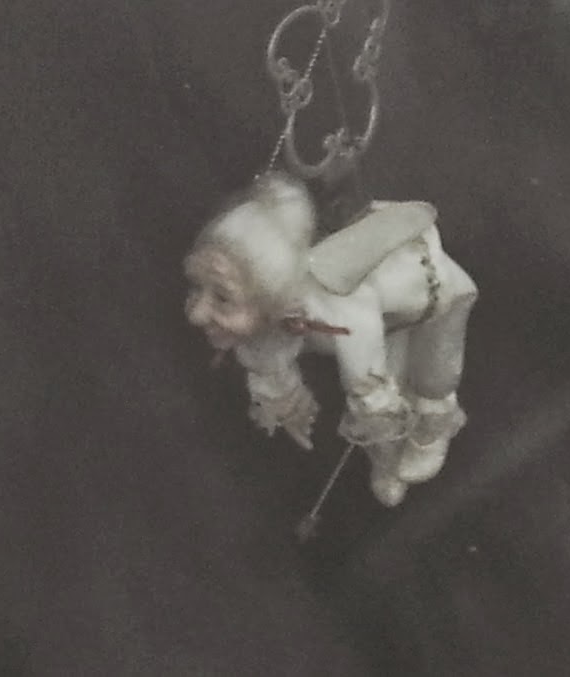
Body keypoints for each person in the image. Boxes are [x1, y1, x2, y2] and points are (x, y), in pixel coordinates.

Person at [183, 172, 477, 506]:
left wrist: (372, 404)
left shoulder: (334, 310)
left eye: (222, 297)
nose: (197, 314)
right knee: (390, 380)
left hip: (436, 297)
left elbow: (366, 382)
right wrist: (284, 398)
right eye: (197, 288)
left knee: (430, 380)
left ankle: (430, 431)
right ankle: (388, 461)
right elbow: (265, 352)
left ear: (271, 295)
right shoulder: (277, 307)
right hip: (386, 318)